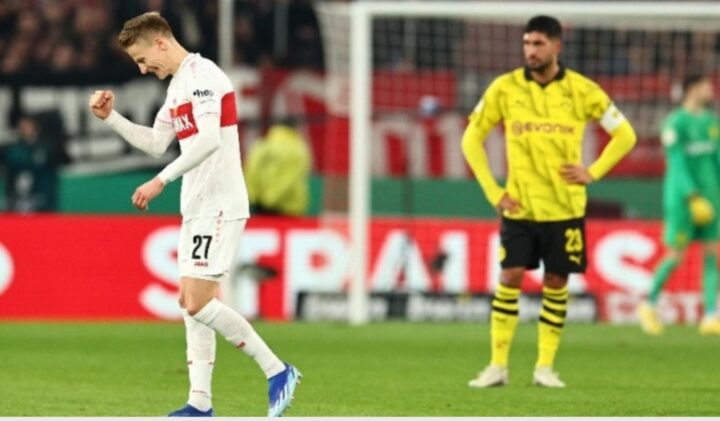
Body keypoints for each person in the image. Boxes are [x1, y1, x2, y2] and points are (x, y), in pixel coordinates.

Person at [88, 12, 300, 417]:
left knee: (197, 302)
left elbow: (207, 141)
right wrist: (111, 118)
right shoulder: (177, 87)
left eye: (143, 59)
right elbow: (156, 142)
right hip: (196, 206)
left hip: (220, 204)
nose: (143, 69)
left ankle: (277, 370)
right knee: (191, 307)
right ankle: (199, 403)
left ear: (160, 42)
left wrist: (160, 182)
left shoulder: (204, 76)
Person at [462, 15, 637, 388]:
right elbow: (470, 139)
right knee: (509, 277)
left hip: (565, 208)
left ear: (557, 45)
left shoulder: (583, 90)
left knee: (556, 282)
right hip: (520, 205)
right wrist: (493, 191)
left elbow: (625, 135)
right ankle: (497, 366)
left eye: (539, 43)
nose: (531, 50)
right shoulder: (504, 88)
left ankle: (544, 367)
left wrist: (593, 171)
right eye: (527, 43)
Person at [638, 74, 720, 336]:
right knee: (676, 256)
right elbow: (677, 162)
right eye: (706, 85)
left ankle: (710, 315)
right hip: (683, 201)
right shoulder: (675, 123)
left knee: (713, 254)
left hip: (712, 197)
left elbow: (717, 160)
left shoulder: (712, 122)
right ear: (691, 89)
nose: (711, 89)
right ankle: (648, 304)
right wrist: (692, 196)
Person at [245, 120, 312, 216]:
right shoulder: (297, 149)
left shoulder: (261, 145)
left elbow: (251, 172)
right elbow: (288, 179)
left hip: (259, 206)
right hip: (288, 208)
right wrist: (269, 199)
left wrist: (254, 198)